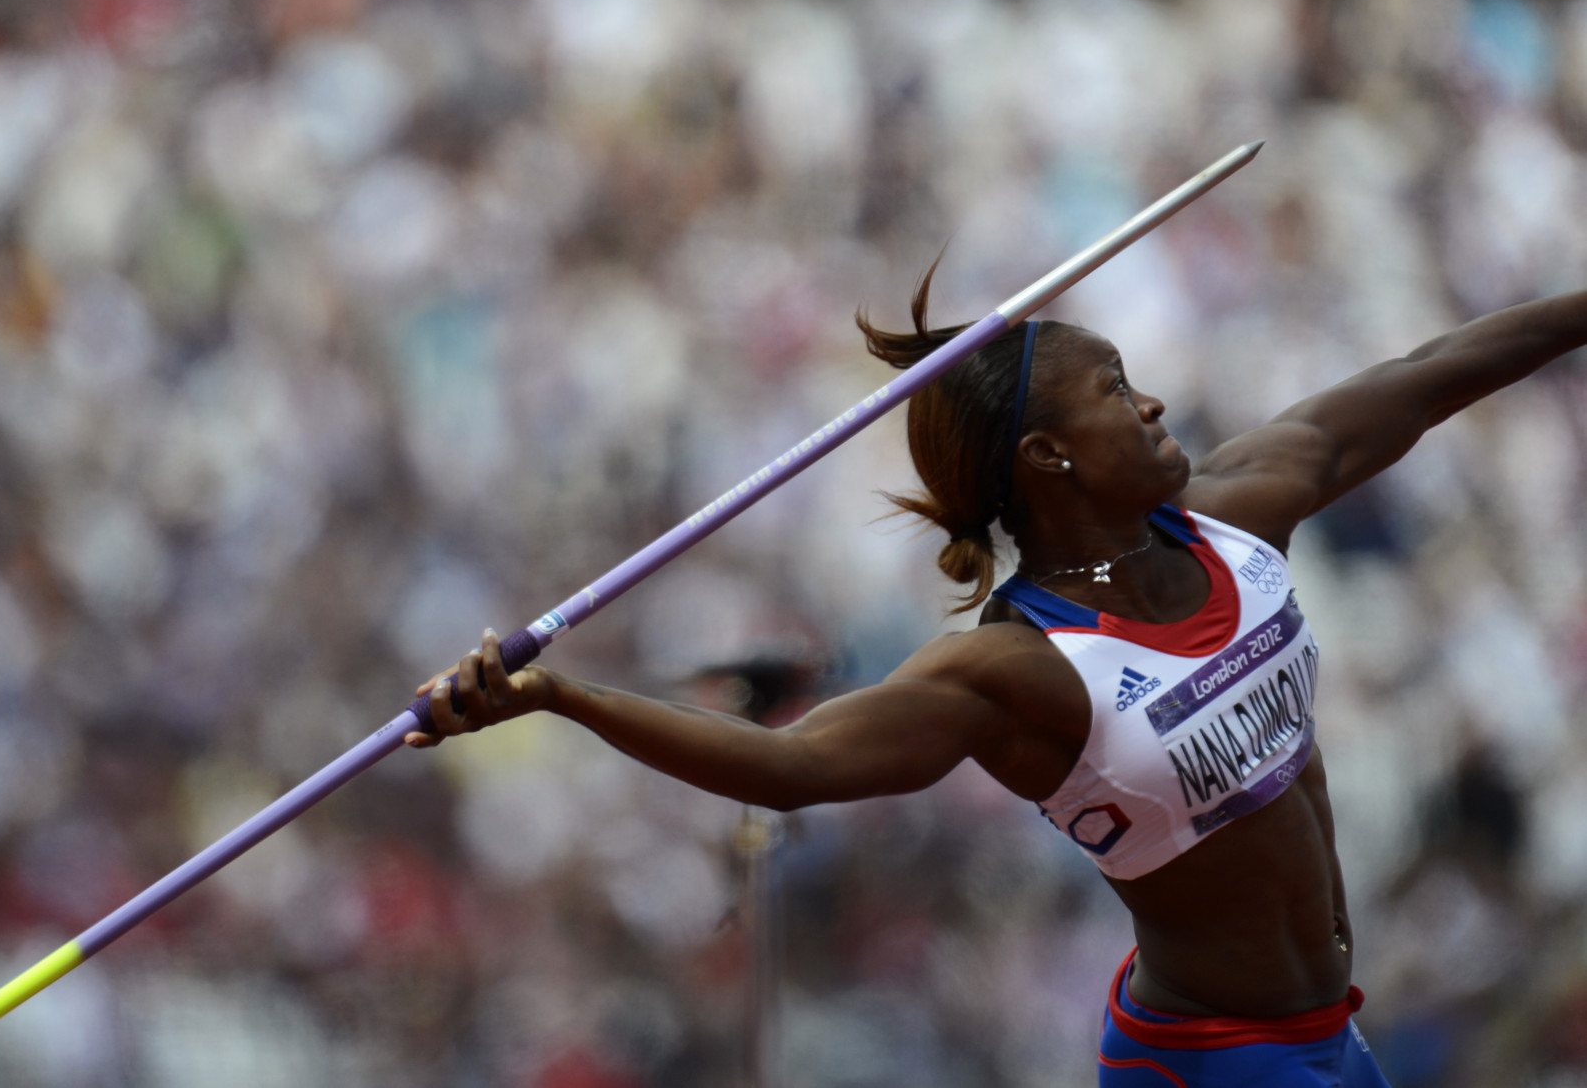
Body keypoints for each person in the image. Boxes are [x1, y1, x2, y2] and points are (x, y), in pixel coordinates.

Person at [409, 268, 1587, 1086]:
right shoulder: (1014, 670)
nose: (1154, 401)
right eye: (1117, 389)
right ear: (1048, 454)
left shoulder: (1240, 514)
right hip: (1215, 1059)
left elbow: (1436, 370)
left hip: (1327, 1032)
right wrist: (557, 695)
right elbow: (791, 766)